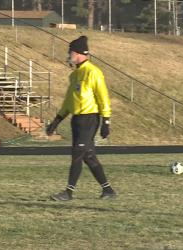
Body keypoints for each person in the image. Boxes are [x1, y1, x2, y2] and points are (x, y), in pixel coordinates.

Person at [46, 35, 117, 201]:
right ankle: (108, 191)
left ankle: (68, 192)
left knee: (78, 152)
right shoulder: (74, 75)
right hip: (77, 120)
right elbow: (69, 101)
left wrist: (106, 121)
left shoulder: (93, 72)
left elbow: (103, 98)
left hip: (89, 119)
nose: (68, 54)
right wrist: (57, 119)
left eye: (70, 50)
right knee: (88, 156)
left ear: (77, 52)